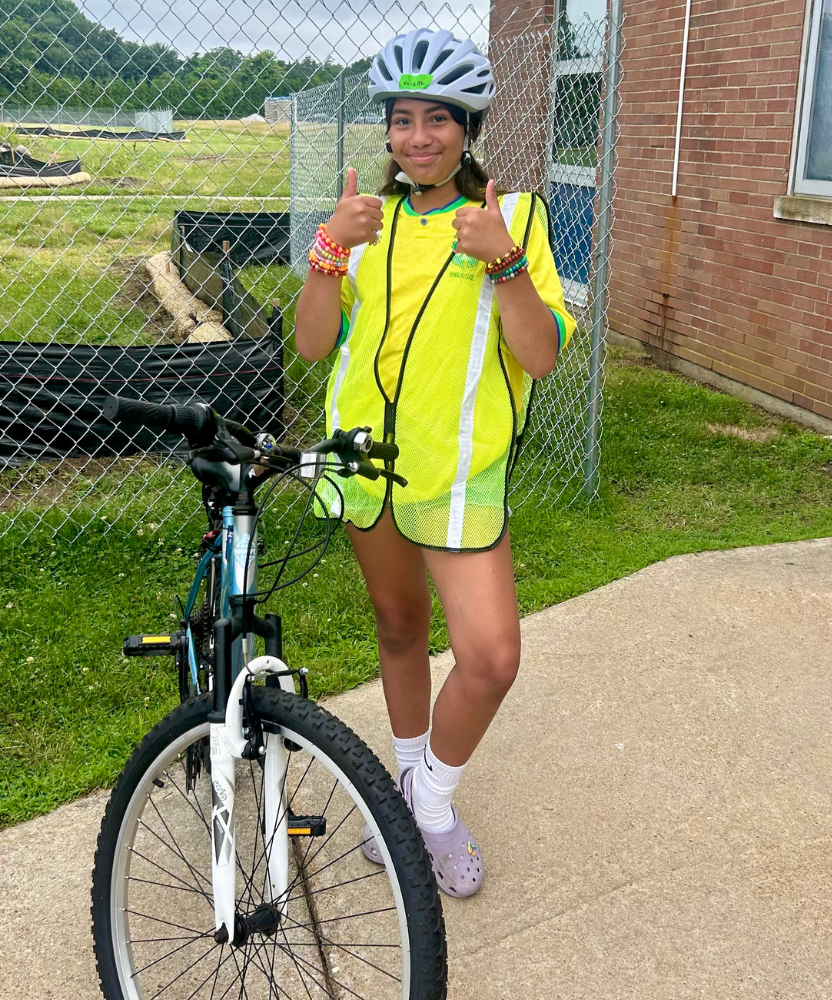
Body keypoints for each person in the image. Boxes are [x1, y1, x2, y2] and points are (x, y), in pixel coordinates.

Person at [295, 28, 576, 898]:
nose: (418, 137)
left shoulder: (513, 216)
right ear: (386, 131)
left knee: (490, 656)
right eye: (402, 120)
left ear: (467, 126)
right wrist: (328, 251)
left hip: (456, 474)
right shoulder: (359, 224)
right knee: (398, 628)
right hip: (361, 464)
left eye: (438, 121)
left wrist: (505, 261)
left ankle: (428, 800)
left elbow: (541, 357)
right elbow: (311, 347)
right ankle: (410, 794)